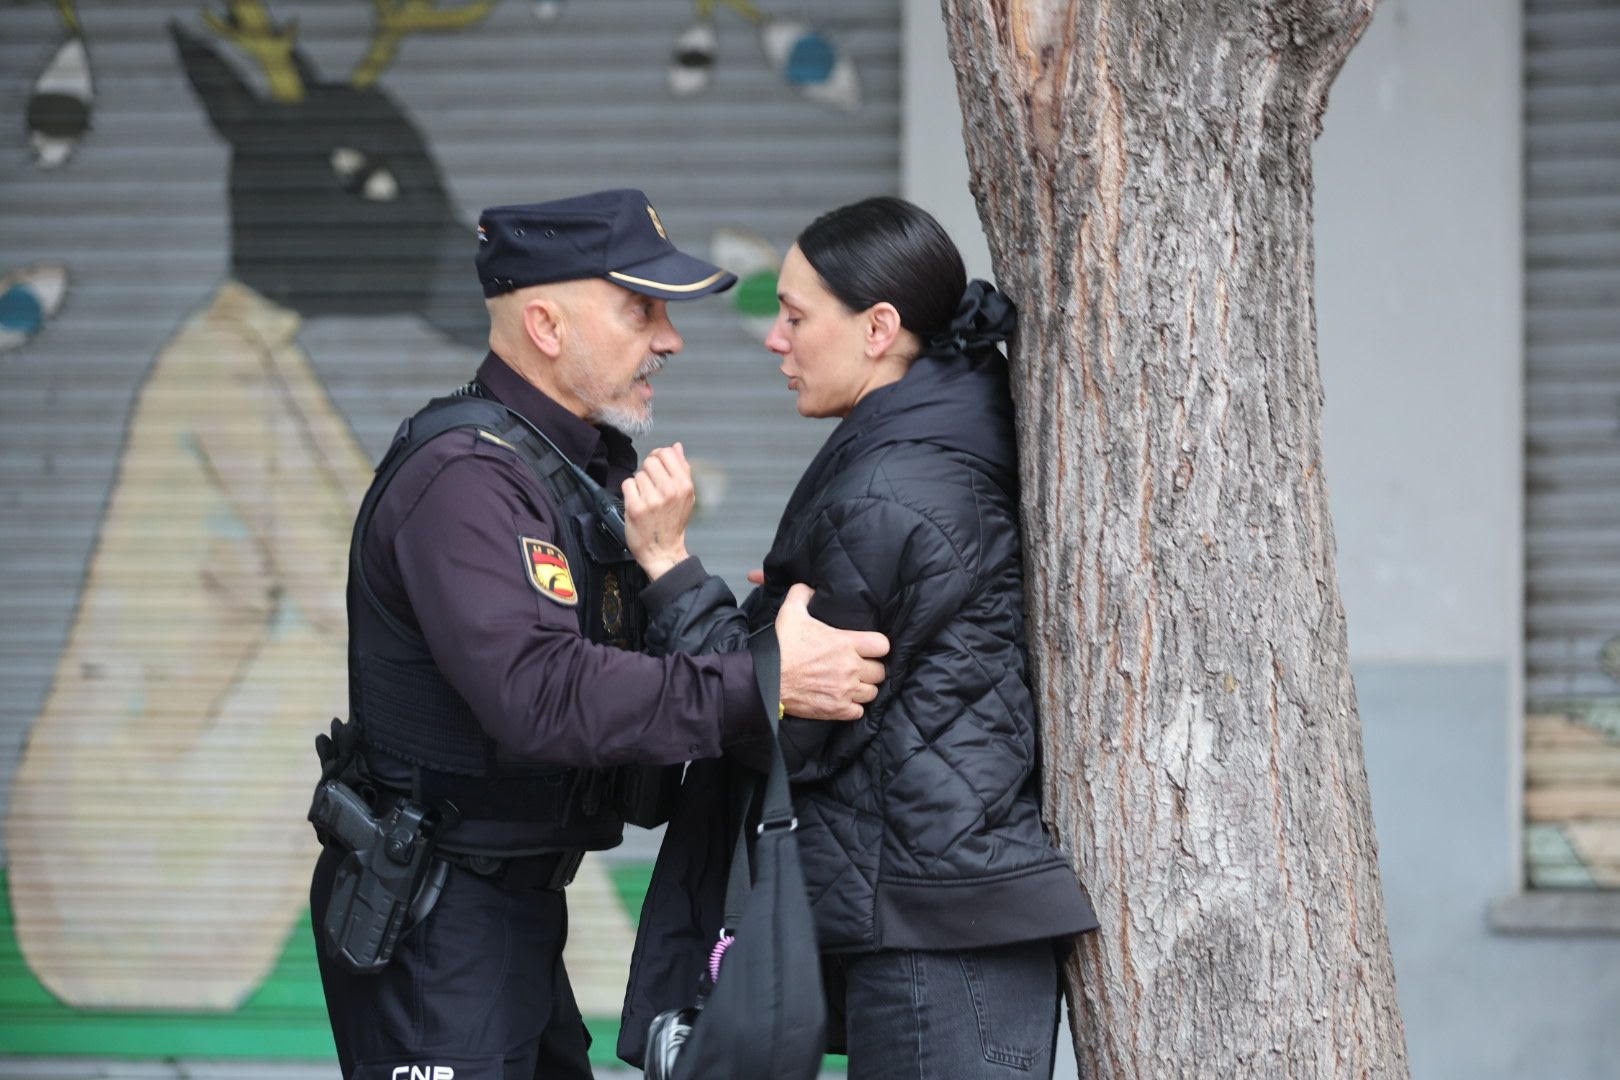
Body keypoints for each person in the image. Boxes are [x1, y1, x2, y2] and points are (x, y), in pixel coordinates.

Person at [308, 188, 891, 1080]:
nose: (670, 337)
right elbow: (541, 695)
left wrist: (740, 620)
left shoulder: (567, 477)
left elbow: (622, 667)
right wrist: (762, 683)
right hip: (436, 921)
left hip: (509, 915)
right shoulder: (465, 482)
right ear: (546, 324)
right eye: (640, 310)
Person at [618, 196, 1098, 1079]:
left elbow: (793, 721)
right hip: (947, 925)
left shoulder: (892, 485)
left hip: (935, 940)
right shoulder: (934, 451)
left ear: (879, 328)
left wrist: (671, 569)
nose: (775, 339)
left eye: (796, 316)